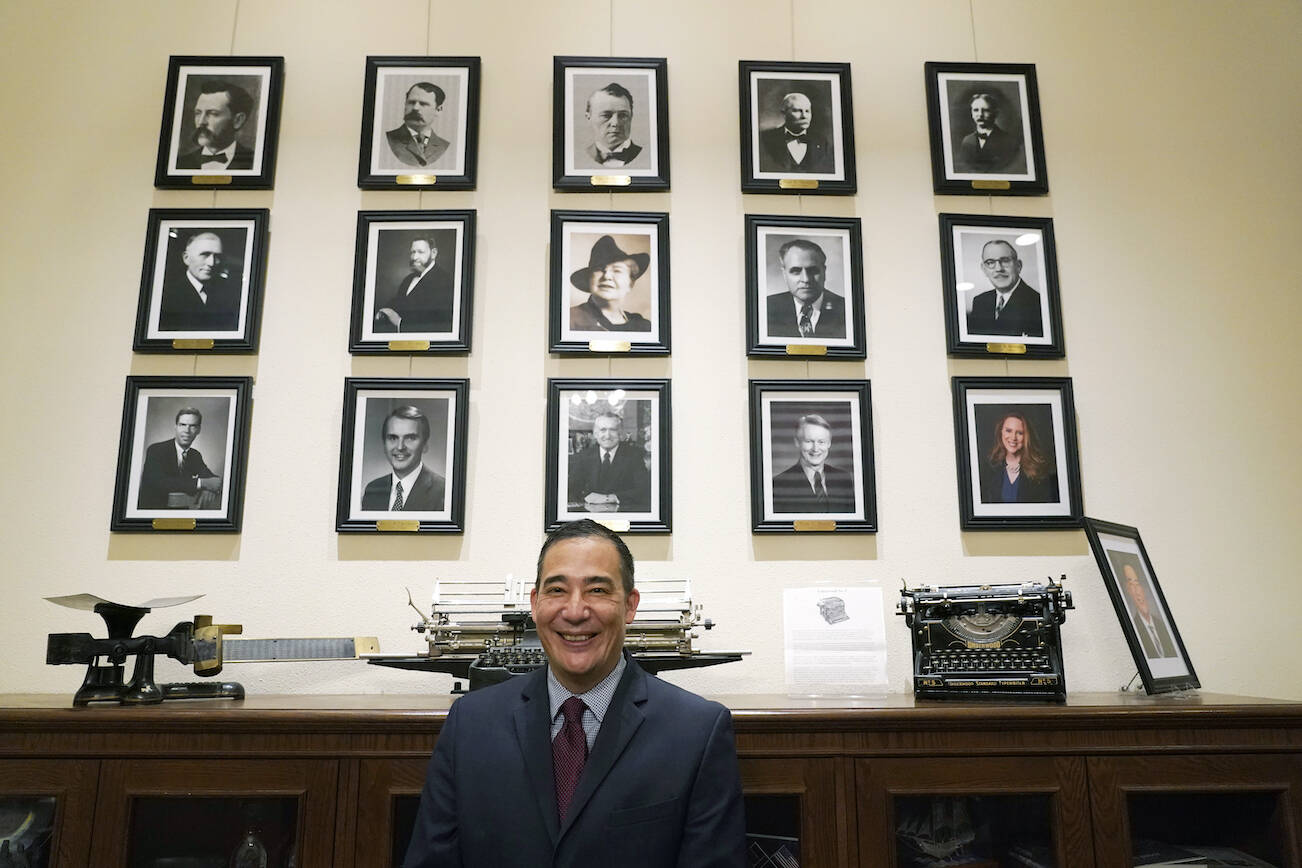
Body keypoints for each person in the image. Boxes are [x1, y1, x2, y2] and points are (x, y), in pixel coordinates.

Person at [403, 519, 747, 867]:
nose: (575, 611)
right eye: (557, 590)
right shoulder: (469, 724)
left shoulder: (697, 731)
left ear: (630, 605)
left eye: (597, 590)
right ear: (535, 604)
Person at [360, 406, 446, 511]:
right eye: (393, 438)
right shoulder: (372, 490)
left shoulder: (443, 491)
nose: (400, 447)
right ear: (384, 444)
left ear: (425, 445)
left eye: (410, 438)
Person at [137, 407, 222, 509]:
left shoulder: (195, 455)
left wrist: (209, 489)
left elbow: (212, 480)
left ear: (198, 430)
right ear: (175, 427)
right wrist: (202, 483)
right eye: (182, 425)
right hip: (151, 513)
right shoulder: (156, 450)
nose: (187, 430)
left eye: (193, 426)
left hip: (181, 513)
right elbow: (160, 482)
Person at [158, 231, 242, 332]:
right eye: (205, 255)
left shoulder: (231, 295)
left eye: (217, 257)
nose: (211, 263)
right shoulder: (166, 296)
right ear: (186, 258)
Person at [567, 412, 650, 512]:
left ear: (620, 433)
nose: (607, 435)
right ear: (595, 434)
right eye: (603, 430)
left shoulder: (634, 456)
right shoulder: (583, 457)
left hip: (622, 515)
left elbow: (644, 490)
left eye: (613, 430)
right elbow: (570, 491)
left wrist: (610, 498)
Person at [771, 414, 856, 513]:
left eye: (821, 442)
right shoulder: (778, 485)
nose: (815, 449)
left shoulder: (843, 479)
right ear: (797, 442)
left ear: (829, 444)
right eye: (808, 441)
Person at [765, 239, 847, 340]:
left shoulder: (847, 310)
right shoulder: (766, 308)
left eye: (813, 270)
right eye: (796, 271)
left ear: (824, 272)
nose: (806, 279)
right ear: (784, 274)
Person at [568, 236, 652, 333]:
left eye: (617, 270)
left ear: (630, 284)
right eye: (599, 269)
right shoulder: (571, 319)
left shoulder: (642, 327)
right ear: (589, 279)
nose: (607, 276)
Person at [374, 236, 454, 333]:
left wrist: (399, 322)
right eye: (413, 252)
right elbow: (398, 301)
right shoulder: (408, 279)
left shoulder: (445, 281)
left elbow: (440, 323)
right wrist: (383, 311)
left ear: (433, 253)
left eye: (420, 252)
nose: (414, 257)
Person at [965, 240, 1043, 338]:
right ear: (984, 269)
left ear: (1018, 266)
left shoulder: (1038, 303)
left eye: (1005, 260)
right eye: (990, 262)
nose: (998, 268)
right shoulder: (980, 301)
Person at [977, 411, 1059, 504]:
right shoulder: (988, 469)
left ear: (1027, 437)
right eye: (1008, 431)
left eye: (1019, 433)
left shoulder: (1041, 473)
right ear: (1001, 432)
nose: (1013, 437)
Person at [177, 80, 255, 170]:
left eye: (213, 113)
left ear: (238, 120)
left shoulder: (255, 162)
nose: (201, 122)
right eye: (198, 113)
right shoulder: (180, 163)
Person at [758, 92, 833, 174]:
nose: (804, 116)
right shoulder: (766, 139)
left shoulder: (821, 142)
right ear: (784, 113)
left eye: (807, 111)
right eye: (797, 111)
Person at [953, 91, 1025, 174]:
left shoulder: (1009, 141)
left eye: (986, 110)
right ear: (972, 113)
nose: (980, 115)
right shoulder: (967, 141)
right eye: (976, 110)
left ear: (995, 113)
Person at [386, 82, 452, 168]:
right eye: (411, 102)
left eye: (424, 104)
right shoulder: (386, 140)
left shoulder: (444, 147)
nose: (415, 108)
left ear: (438, 110)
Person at [580, 82, 642, 168]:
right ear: (589, 117)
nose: (615, 123)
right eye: (606, 115)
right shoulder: (579, 157)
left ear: (631, 117)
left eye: (623, 115)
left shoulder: (646, 155)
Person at [1122, 563, 1177, 658]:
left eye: (1137, 584)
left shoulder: (1164, 626)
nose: (1137, 592)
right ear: (1128, 591)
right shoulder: (1134, 630)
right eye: (1131, 585)